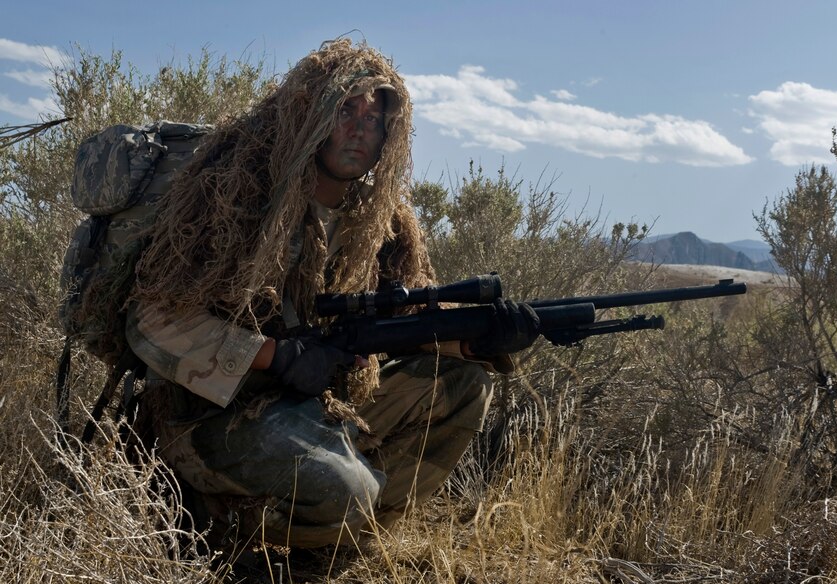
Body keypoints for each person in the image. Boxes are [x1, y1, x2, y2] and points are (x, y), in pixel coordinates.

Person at [126, 39, 539, 550]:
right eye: (346, 109)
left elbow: (411, 320)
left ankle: (341, 538)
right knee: (345, 490)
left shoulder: (381, 221)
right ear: (310, 113)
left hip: (317, 405)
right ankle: (221, 523)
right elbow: (152, 319)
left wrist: (479, 341)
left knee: (463, 385)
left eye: (374, 119)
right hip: (212, 418)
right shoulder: (235, 194)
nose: (359, 130)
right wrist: (273, 356)